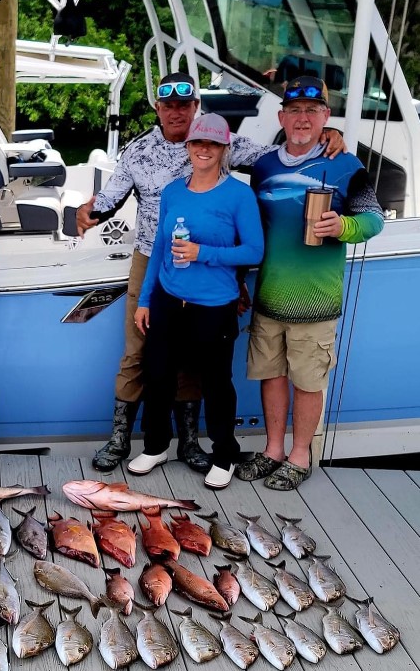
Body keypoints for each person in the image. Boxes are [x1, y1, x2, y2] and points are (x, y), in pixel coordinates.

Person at [77, 72, 344, 475]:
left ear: (196, 110)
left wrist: (328, 131)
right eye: (168, 106)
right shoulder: (138, 152)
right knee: (142, 356)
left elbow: (282, 151)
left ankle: (189, 442)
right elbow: (110, 198)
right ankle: (124, 439)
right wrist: (87, 211)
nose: (176, 112)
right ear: (158, 109)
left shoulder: (222, 143)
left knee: (200, 365)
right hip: (153, 262)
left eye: (184, 105)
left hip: (211, 275)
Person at [236, 76, 385, 490]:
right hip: (269, 292)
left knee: (308, 380)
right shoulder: (263, 164)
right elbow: (255, 228)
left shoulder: (347, 164)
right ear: (282, 116)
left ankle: (300, 455)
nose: (302, 119)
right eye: (294, 111)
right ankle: (273, 450)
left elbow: (373, 221)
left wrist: (343, 224)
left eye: (312, 111)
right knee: (271, 374)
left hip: (315, 299)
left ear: (325, 117)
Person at [131, 113, 264, 489]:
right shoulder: (172, 191)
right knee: (158, 376)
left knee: (216, 383)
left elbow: (254, 250)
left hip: (214, 307)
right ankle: (156, 446)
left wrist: (202, 252)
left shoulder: (239, 194)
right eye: (197, 142)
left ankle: (225, 454)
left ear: (224, 149)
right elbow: (158, 248)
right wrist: (145, 299)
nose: (204, 150)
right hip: (169, 301)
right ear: (188, 146)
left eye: (213, 144)